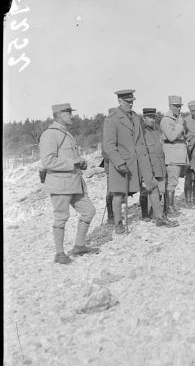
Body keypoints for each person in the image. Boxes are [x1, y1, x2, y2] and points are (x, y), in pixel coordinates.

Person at [103, 89, 175, 233]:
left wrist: (147, 160)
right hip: (123, 163)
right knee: (118, 194)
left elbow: (141, 140)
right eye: (127, 102)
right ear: (119, 101)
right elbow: (109, 146)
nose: (130, 105)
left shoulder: (135, 117)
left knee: (153, 185)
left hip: (141, 161)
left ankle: (159, 217)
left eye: (132, 102)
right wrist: (119, 163)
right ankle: (118, 224)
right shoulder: (112, 119)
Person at [39, 103, 99, 264]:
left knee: (89, 211)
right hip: (60, 185)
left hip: (74, 183)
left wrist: (81, 163)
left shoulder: (66, 133)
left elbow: (69, 158)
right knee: (61, 218)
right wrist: (73, 163)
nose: (72, 116)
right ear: (59, 115)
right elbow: (48, 161)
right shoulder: (50, 134)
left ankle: (79, 246)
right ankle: (59, 254)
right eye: (69, 113)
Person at [140, 108, 176, 226]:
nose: (152, 119)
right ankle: (156, 217)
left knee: (160, 191)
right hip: (148, 168)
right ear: (144, 118)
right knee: (149, 191)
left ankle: (157, 214)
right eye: (149, 117)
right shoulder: (141, 133)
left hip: (159, 166)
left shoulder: (156, 131)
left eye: (153, 117)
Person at [160, 95, 190, 215]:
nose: (178, 108)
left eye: (179, 106)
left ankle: (170, 205)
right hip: (172, 154)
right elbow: (171, 136)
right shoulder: (166, 120)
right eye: (176, 106)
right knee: (171, 182)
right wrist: (180, 124)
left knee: (174, 181)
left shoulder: (178, 119)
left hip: (179, 153)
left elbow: (184, 135)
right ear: (170, 106)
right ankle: (169, 207)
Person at [100, 107, 118, 224]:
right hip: (110, 168)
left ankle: (116, 215)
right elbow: (105, 154)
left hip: (118, 166)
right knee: (110, 192)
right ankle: (111, 216)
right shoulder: (107, 134)